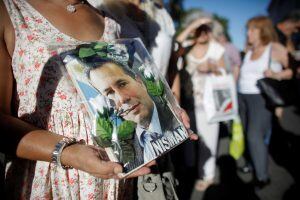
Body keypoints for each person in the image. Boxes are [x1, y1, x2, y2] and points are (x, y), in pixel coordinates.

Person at [0, 0, 157, 199]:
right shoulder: (10, 11)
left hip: (112, 180)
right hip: (47, 177)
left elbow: (127, 98)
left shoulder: (111, 23)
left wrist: (162, 110)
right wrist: (68, 153)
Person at [87, 61, 185, 163]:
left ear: (139, 81)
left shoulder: (175, 118)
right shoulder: (123, 151)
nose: (122, 98)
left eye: (122, 84)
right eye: (110, 93)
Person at [237, 16, 291, 188]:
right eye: (248, 29)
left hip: (260, 98)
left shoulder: (273, 48)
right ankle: (253, 164)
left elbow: (291, 71)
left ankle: (262, 176)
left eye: (253, 29)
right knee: (247, 133)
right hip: (242, 96)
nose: (248, 33)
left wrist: (276, 74)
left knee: (254, 136)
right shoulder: (249, 49)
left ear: (263, 30)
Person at [176, 17, 226, 191]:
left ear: (209, 31)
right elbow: (175, 45)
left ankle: (208, 175)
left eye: (205, 29)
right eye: (199, 29)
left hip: (209, 104)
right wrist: (193, 24)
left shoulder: (216, 49)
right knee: (189, 138)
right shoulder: (188, 46)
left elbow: (224, 76)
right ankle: (191, 169)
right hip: (189, 100)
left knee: (209, 140)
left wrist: (212, 68)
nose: (202, 32)